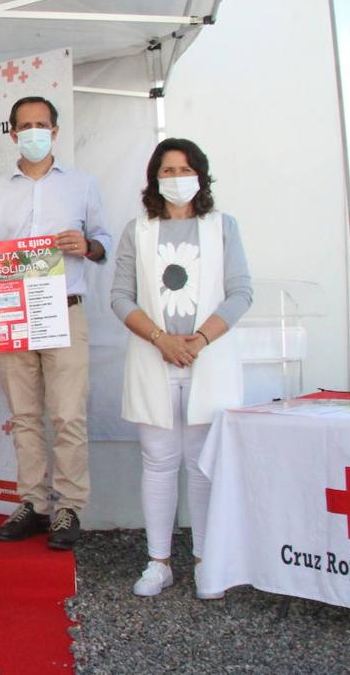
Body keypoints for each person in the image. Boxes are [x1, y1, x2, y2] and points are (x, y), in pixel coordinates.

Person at [110, 138, 252, 598]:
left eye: (185, 169)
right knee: (159, 463)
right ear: (155, 178)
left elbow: (240, 292)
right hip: (155, 360)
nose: (176, 178)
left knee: (202, 465)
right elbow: (120, 296)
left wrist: (200, 339)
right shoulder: (139, 229)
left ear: (201, 175)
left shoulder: (221, 227)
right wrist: (161, 339)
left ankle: (207, 561)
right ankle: (159, 562)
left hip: (206, 361)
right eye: (167, 171)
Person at [0, 97, 112, 550]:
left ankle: (69, 506)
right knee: (24, 415)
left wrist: (87, 245)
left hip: (64, 308)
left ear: (54, 131)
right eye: (25, 126)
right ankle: (33, 503)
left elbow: (105, 241)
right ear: (12, 134)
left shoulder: (82, 185)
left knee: (68, 414)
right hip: (13, 311)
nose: (34, 132)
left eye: (42, 125)